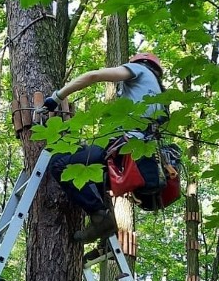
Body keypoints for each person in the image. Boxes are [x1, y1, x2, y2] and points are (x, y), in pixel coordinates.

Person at [44, 52, 181, 243]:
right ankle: (101, 220)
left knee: (58, 163)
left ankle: (100, 218)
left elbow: (94, 76)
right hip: (134, 155)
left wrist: (57, 97)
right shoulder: (160, 97)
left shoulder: (139, 70)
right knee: (94, 175)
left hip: (124, 149)